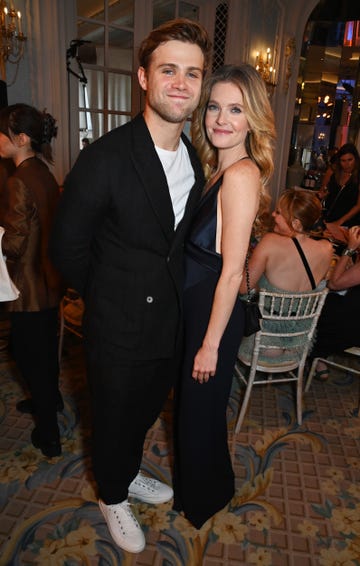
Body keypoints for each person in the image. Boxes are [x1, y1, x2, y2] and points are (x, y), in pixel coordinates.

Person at [50, 18, 212, 554]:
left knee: (144, 413)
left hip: (167, 325)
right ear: (143, 77)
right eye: (169, 70)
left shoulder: (192, 156)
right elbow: (67, 248)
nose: (181, 83)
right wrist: (111, 299)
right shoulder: (107, 156)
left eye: (192, 73)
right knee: (115, 417)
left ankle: (127, 470)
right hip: (118, 325)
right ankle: (111, 494)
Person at [173, 63, 276, 529]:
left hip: (215, 308)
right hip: (201, 303)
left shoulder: (240, 175)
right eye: (215, 106)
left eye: (235, 109)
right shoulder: (220, 167)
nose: (221, 118)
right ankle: (207, 486)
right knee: (196, 410)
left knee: (200, 410)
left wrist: (211, 343)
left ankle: (205, 497)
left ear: (252, 118)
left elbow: (233, 270)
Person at [0, 103, 64, 458]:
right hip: (47, 281)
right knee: (40, 354)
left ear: (21, 139)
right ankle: (51, 400)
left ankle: (49, 435)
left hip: (28, 289)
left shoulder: (17, 181)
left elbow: (14, 242)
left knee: (29, 358)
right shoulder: (42, 170)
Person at [238, 188, 333, 363]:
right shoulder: (327, 248)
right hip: (299, 343)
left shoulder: (270, 242)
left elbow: (244, 287)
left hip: (265, 342)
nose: (273, 214)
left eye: (279, 212)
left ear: (296, 223)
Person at [310, 225, 360, 381]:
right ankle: (319, 358)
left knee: (315, 303)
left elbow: (334, 283)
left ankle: (312, 354)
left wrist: (350, 248)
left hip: (352, 329)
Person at [320, 142, 360, 227]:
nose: (347, 164)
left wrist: (339, 222)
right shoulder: (332, 172)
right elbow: (322, 192)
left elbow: (358, 206)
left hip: (349, 222)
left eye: (350, 160)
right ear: (339, 161)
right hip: (328, 218)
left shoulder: (358, 176)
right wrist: (323, 194)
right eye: (343, 160)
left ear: (355, 159)